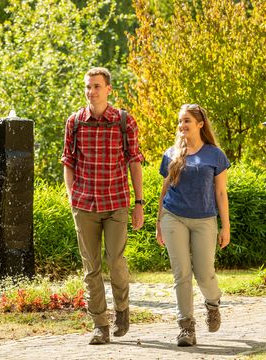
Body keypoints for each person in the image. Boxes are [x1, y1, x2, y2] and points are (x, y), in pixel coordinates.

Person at [61, 67, 145, 345]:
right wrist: (72, 197)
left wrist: (139, 203)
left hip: (116, 203)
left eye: (97, 86)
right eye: (88, 86)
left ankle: (122, 310)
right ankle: (100, 325)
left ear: (108, 89)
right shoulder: (75, 122)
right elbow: (68, 163)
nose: (91, 91)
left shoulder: (124, 121)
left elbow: (134, 161)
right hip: (84, 205)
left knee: (116, 261)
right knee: (91, 268)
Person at [156, 103, 230, 347]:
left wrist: (225, 227)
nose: (182, 125)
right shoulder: (171, 153)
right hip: (173, 216)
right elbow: (164, 189)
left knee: (204, 273)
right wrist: (158, 223)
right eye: (180, 121)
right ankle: (186, 327)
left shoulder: (215, 155)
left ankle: (212, 303)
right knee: (181, 274)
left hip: (204, 220)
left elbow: (220, 193)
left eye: (187, 120)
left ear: (200, 124)